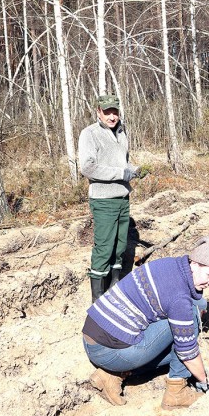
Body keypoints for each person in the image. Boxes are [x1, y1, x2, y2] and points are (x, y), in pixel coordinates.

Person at [82, 234, 209, 408]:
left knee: (183, 324)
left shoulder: (170, 265)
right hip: (109, 352)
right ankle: (176, 394)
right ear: (195, 263)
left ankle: (110, 375)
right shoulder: (179, 300)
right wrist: (204, 380)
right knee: (189, 325)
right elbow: (187, 352)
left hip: (91, 338)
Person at [78, 94, 140, 303]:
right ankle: (97, 298)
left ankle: (114, 288)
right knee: (104, 248)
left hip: (123, 198)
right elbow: (88, 168)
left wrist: (133, 170)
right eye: (107, 112)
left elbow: (123, 163)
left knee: (120, 246)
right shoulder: (90, 134)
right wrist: (120, 173)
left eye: (115, 112)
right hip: (104, 201)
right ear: (99, 112)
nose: (112, 117)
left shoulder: (122, 132)